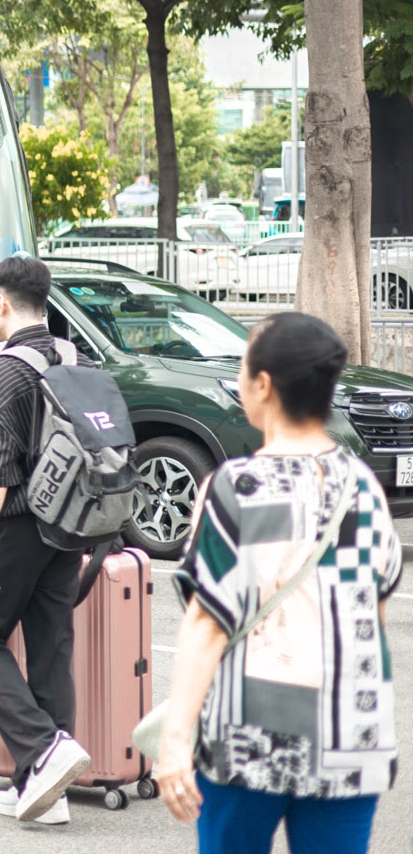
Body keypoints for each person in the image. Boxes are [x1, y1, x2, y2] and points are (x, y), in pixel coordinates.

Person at [155, 311, 400, 852]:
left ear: (262, 385)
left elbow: (208, 623)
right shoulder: (364, 486)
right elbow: (373, 617)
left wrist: (175, 739)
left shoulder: (236, 487)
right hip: (350, 728)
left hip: (251, 728)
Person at [0, 254, 90, 825]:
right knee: (50, 643)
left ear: (0, 302)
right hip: (70, 523)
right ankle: (43, 787)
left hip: (15, 525)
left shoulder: (2, 369)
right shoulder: (70, 355)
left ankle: (43, 749)